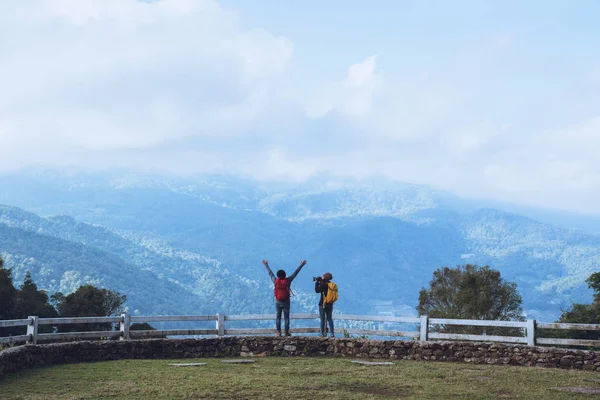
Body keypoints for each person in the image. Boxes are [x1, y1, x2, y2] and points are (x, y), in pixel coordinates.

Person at [262, 259, 307, 336]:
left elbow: (270, 273)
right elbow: (295, 273)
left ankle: (279, 332)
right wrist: (301, 265)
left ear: (278, 275)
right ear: (285, 275)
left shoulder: (275, 280)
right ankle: (286, 332)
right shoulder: (288, 280)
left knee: (278, 317)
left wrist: (266, 265)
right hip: (286, 301)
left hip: (278, 300)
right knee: (286, 318)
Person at [315, 272, 337, 338]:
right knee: (330, 318)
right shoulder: (332, 285)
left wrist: (316, 283)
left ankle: (322, 333)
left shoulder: (323, 284)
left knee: (322, 319)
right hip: (330, 303)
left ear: (324, 277)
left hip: (322, 303)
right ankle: (332, 333)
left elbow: (317, 290)